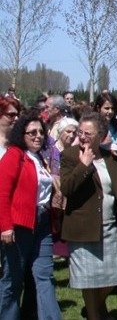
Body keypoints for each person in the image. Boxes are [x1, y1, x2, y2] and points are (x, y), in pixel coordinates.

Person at [59, 112, 117, 320]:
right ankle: (95, 315)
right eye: (80, 132)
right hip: (83, 228)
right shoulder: (70, 156)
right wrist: (84, 164)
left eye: (88, 133)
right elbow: (67, 188)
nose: (83, 137)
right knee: (88, 280)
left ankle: (95, 307)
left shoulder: (111, 159)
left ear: (101, 135)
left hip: (110, 227)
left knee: (112, 278)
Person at [0, 113, 61, 318]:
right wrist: (5, 226)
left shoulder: (40, 159)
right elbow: (2, 192)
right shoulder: (14, 154)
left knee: (45, 277)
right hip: (19, 225)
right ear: (21, 134)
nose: (38, 136)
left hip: (42, 223)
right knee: (13, 280)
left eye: (41, 132)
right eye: (32, 132)